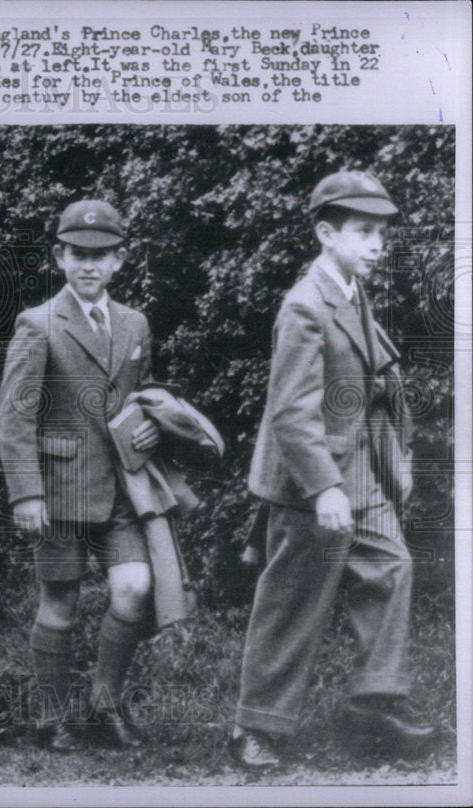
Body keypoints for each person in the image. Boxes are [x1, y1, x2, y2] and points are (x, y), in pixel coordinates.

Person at [229, 171, 434, 769]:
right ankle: (256, 730)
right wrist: (323, 487)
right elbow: (290, 410)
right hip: (309, 476)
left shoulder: (349, 287)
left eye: (381, 234)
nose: (377, 245)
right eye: (364, 232)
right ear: (325, 233)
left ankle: (372, 706)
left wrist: (393, 454)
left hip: (358, 468)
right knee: (293, 599)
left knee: (391, 565)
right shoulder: (303, 305)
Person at [0, 200, 162, 752]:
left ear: (119, 261)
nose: (89, 265)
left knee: (134, 588)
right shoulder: (38, 323)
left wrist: (151, 429)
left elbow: (140, 400)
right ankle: (52, 718)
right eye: (78, 255)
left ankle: (105, 707)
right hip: (60, 488)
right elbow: (14, 416)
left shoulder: (136, 323)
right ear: (59, 257)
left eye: (102, 255)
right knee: (60, 599)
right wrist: (26, 492)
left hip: (120, 489)